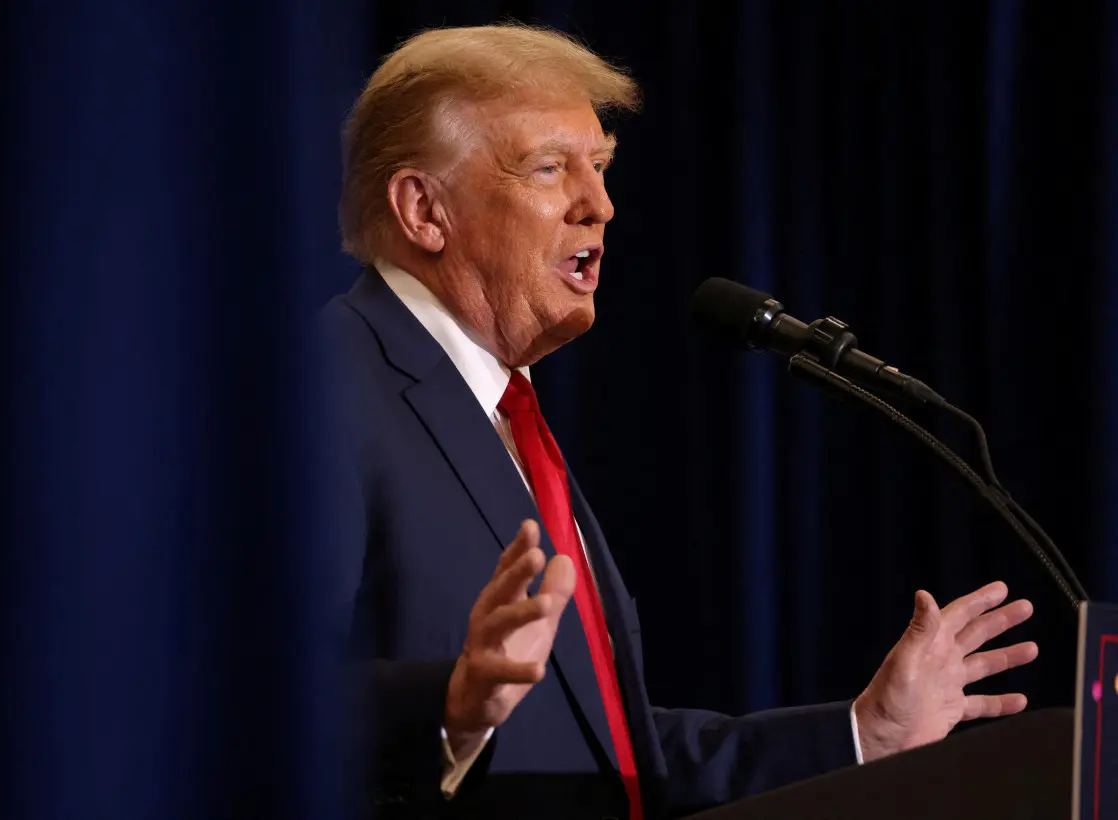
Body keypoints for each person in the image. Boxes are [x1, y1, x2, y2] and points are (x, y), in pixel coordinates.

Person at [319, 23, 1038, 820]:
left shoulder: (504, 419)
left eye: (599, 168)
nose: (600, 206)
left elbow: (617, 759)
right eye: (550, 168)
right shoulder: (331, 387)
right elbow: (240, 704)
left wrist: (864, 733)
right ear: (424, 209)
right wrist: (448, 711)